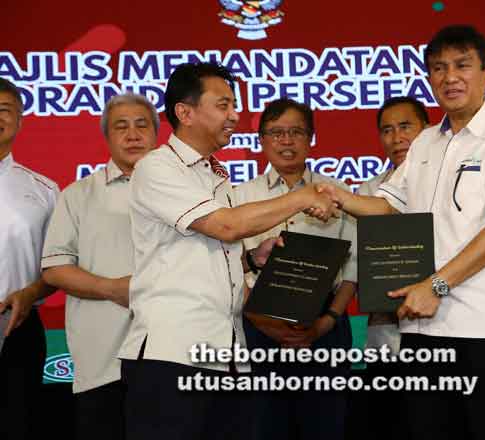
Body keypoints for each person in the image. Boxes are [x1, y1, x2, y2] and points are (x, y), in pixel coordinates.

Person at [317, 25, 485, 440]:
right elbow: (386, 206)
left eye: (462, 65)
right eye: (438, 68)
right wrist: (337, 196)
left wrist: (435, 285)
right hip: (423, 328)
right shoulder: (424, 143)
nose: (450, 77)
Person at [116, 62, 337, 440]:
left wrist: (252, 259)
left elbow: (207, 251)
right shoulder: (157, 167)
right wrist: (301, 196)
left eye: (234, 105)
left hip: (227, 353)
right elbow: (227, 226)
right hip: (173, 357)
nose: (235, 115)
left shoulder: (215, 175)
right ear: (185, 113)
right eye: (223, 105)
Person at [233, 98, 357, 440]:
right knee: (263, 426)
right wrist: (265, 324)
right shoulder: (239, 196)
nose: (286, 141)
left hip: (325, 323)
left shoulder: (338, 193)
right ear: (261, 140)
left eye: (296, 132)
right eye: (276, 132)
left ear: (311, 138)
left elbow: (354, 267)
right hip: (258, 322)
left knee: (326, 426)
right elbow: (229, 268)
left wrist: (326, 322)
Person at [41, 93, 159, 440]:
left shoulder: (186, 193)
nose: (133, 135)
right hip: (102, 359)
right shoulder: (78, 195)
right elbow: (55, 268)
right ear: (107, 137)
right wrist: (112, 289)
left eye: (142, 125)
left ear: (156, 134)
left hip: (170, 355)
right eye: (121, 127)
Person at [358, 96, 428, 440]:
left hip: (442, 330)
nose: (396, 137)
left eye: (405, 126)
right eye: (387, 130)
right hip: (385, 337)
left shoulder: (447, 187)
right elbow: (359, 263)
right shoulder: (369, 192)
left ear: (427, 130)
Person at [0, 77, 58, 440]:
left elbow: (58, 268)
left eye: (4, 111)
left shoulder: (45, 190)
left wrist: (31, 293)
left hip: (17, 325)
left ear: (20, 120)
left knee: (16, 424)